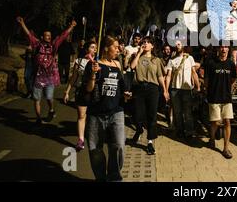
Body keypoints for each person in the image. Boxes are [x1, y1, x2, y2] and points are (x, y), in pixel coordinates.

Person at [83, 36, 129, 181]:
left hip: (116, 111)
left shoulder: (117, 64)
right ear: (106, 48)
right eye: (115, 47)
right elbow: (88, 89)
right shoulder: (93, 65)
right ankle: (101, 178)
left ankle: (114, 178)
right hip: (96, 113)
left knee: (119, 145)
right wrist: (93, 74)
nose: (118, 49)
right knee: (95, 149)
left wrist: (126, 94)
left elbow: (122, 87)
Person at [16, 16, 76, 124]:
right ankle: (38, 118)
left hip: (49, 78)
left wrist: (71, 27)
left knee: (48, 97)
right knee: (36, 99)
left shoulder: (53, 45)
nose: (48, 37)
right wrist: (22, 24)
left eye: (50, 35)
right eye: (46, 35)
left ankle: (51, 110)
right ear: (42, 36)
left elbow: (63, 36)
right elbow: (29, 35)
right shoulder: (37, 45)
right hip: (38, 78)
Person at [129, 37, 169, 155]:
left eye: (148, 42)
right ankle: (139, 129)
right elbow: (132, 67)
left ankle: (150, 142)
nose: (145, 44)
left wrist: (165, 90)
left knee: (152, 116)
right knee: (137, 114)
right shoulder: (138, 57)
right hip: (140, 88)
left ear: (152, 46)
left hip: (153, 89)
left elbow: (160, 76)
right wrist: (139, 53)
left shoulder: (156, 60)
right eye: (143, 43)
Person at [63, 41, 97, 151]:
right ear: (87, 49)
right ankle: (81, 140)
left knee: (93, 116)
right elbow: (74, 77)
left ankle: (92, 136)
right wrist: (67, 91)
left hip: (94, 92)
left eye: (95, 48)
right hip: (81, 90)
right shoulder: (79, 61)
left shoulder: (98, 62)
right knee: (82, 115)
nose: (94, 49)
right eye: (92, 47)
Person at [204, 45, 237, 159]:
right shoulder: (211, 63)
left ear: (228, 49)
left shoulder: (231, 64)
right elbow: (206, 80)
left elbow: (233, 79)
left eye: (226, 47)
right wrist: (208, 92)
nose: (223, 49)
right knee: (216, 122)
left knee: (227, 121)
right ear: (218, 49)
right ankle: (212, 139)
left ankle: (226, 148)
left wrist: (228, 89)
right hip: (214, 97)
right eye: (221, 47)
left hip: (226, 98)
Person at [164, 41, 200, 139]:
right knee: (177, 112)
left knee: (187, 112)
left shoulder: (189, 58)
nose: (177, 46)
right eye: (175, 44)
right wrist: (166, 90)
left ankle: (189, 132)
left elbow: (193, 73)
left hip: (187, 89)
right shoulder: (171, 60)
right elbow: (168, 76)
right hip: (175, 89)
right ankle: (179, 130)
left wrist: (198, 86)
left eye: (179, 44)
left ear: (183, 46)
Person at [224, 0, 237, 66]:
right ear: (230, 4)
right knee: (225, 56)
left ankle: (233, 74)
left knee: (234, 57)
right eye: (233, 3)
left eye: (236, 3)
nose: (235, 4)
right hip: (227, 36)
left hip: (235, 37)